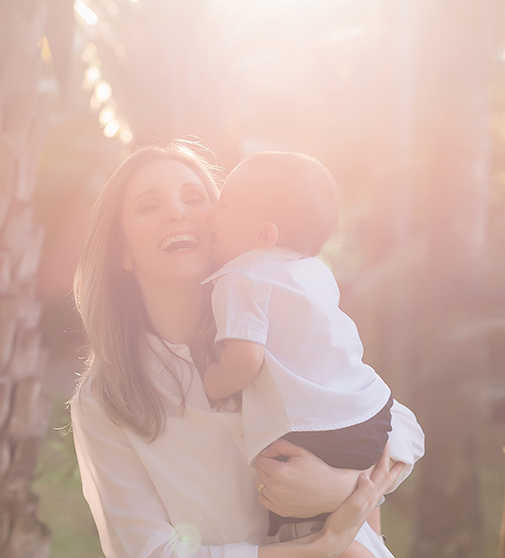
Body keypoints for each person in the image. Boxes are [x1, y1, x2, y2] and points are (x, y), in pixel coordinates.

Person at [70, 140, 424, 558]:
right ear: (122, 252)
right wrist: (319, 547)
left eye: (195, 198)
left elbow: (397, 424)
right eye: (149, 205)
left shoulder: (278, 323)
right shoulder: (106, 397)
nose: (178, 212)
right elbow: (151, 553)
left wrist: (340, 486)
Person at [201, 152, 422, 556]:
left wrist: (209, 380)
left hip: (318, 431)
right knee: (352, 523)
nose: (210, 211)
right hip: (372, 413)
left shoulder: (239, 277)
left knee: (297, 525)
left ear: (263, 236)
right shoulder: (311, 270)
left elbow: (245, 361)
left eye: (225, 204)